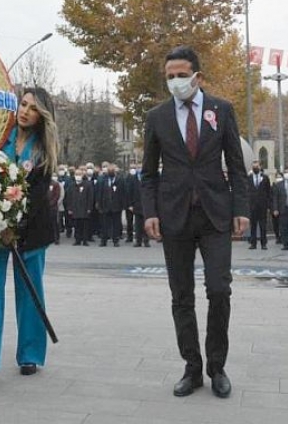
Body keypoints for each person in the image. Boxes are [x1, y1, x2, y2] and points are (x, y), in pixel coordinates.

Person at [141, 46, 249, 399]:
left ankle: (217, 367)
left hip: (215, 215)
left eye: (181, 74)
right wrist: (150, 212)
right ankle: (192, 368)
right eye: (170, 76)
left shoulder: (222, 110)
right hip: (174, 218)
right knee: (181, 296)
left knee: (219, 289)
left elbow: (236, 165)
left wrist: (241, 209)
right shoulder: (156, 117)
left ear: (197, 76)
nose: (176, 81)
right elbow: (148, 173)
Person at [0, 87, 58, 385]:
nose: (25, 111)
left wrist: (14, 227)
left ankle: (30, 354)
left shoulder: (44, 149)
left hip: (31, 230)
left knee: (30, 293)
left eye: (33, 108)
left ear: (42, 115)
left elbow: (37, 195)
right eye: (23, 104)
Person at [97, 163, 125, 247]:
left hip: (116, 206)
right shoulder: (103, 180)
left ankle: (115, 240)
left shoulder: (120, 180)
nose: (111, 172)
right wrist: (99, 203)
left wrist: (122, 204)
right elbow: (100, 193)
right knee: (104, 224)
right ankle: (103, 240)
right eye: (109, 171)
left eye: (112, 171)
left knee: (116, 224)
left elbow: (123, 193)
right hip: (105, 206)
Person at [66, 167, 94, 246]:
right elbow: (69, 197)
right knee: (77, 225)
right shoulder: (71, 185)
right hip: (75, 209)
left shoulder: (87, 184)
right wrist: (69, 208)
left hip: (84, 209)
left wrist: (89, 208)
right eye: (76, 175)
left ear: (82, 175)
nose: (78, 176)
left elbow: (90, 197)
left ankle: (85, 240)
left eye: (79, 175)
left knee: (85, 225)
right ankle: (77, 240)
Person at [247, 160, 271, 250]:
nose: (255, 168)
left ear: (260, 167)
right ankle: (253, 243)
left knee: (263, 226)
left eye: (256, 166)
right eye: (254, 167)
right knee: (252, 225)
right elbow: (247, 191)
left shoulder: (265, 178)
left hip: (262, 206)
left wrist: (268, 205)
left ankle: (263, 243)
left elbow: (268, 192)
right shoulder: (249, 178)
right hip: (252, 205)